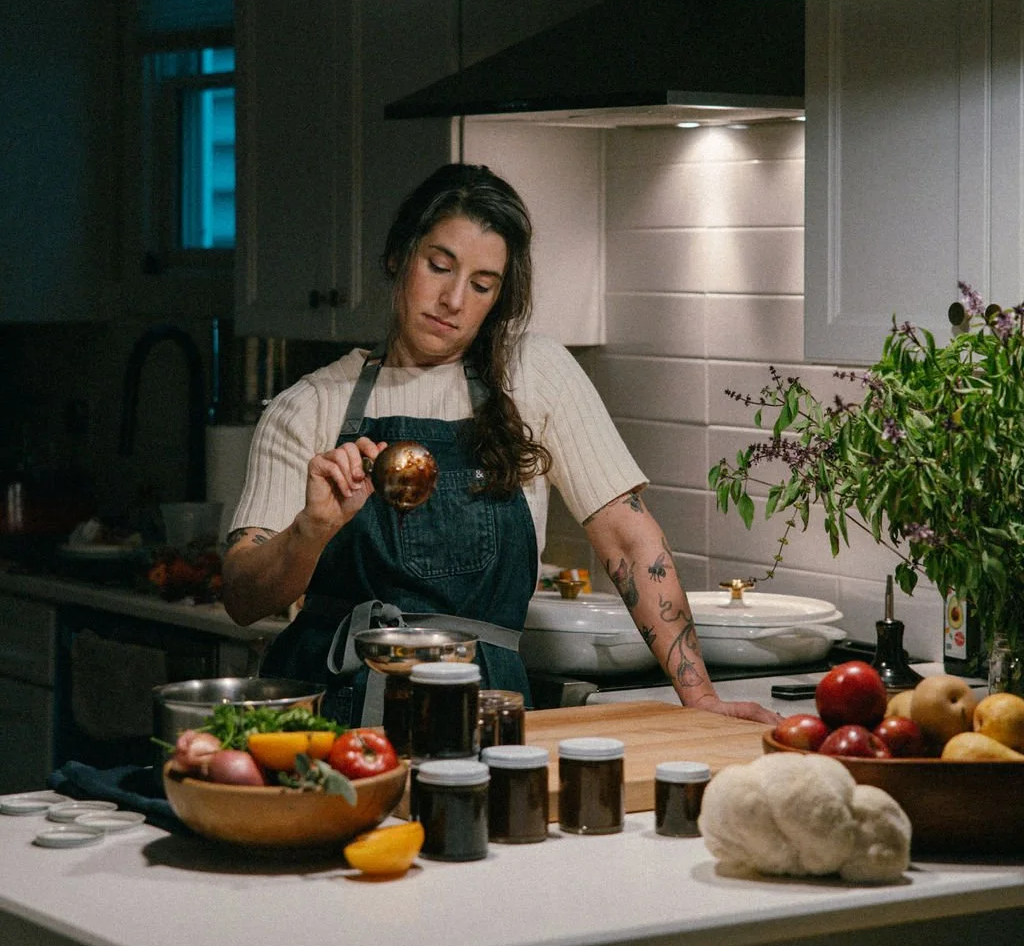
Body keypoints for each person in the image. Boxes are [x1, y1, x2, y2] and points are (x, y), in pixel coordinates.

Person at [222, 163, 777, 728]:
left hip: (484, 712)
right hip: (334, 714)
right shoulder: (311, 406)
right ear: (398, 257)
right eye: (438, 266)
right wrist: (309, 532)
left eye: (482, 285)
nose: (453, 299)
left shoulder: (534, 376)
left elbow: (631, 545)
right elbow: (243, 598)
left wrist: (700, 696)